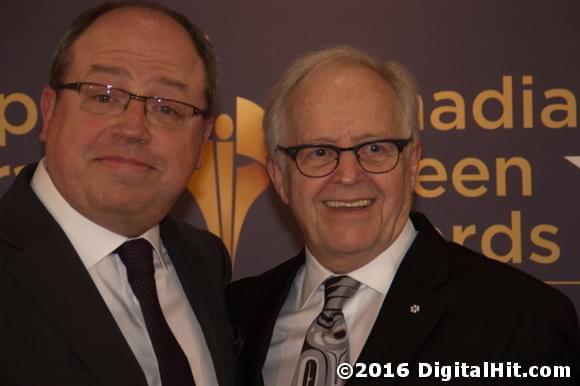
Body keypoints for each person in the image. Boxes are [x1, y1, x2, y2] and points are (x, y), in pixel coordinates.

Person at [227, 46, 580, 385]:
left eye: (375, 148)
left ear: (412, 165)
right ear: (279, 178)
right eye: (319, 151)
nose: (348, 175)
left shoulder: (521, 318)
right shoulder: (235, 314)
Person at [0, 2, 236, 385]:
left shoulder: (206, 262)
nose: (132, 129)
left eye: (168, 108)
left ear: (203, 141)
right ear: (49, 112)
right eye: (104, 96)